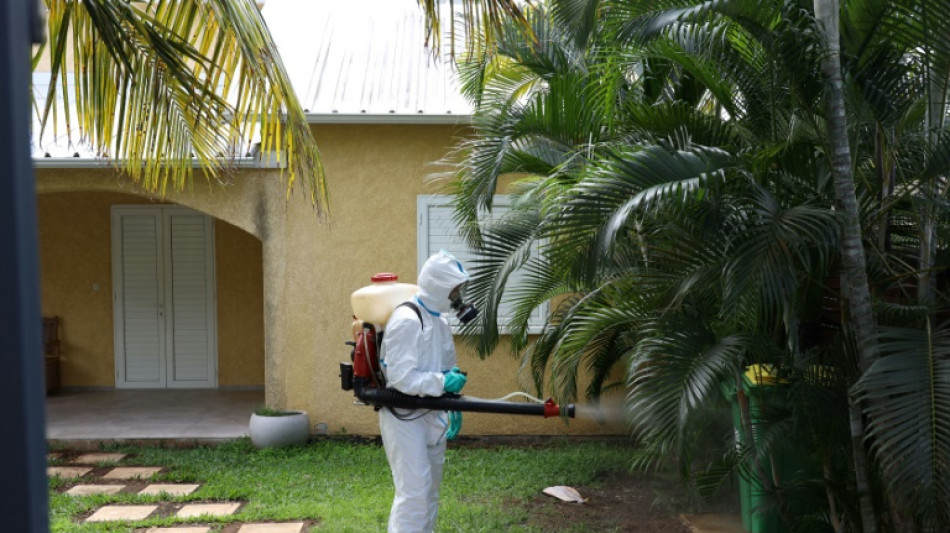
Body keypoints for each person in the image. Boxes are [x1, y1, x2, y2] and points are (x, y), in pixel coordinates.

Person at [378, 251, 472, 533]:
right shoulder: (407, 320)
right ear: (439, 286)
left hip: (432, 413)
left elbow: (447, 366)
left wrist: (452, 403)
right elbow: (402, 378)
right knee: (414, 493)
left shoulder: (440, 320)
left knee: (430, 488)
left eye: (459, 289)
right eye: (454, 289)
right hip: (404, 416)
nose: (458, 296)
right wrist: (443, 384)